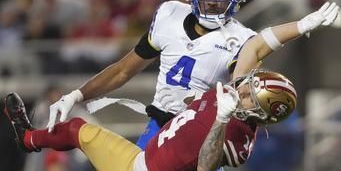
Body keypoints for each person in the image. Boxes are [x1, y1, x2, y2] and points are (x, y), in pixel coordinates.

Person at [45, 0, 339, 150]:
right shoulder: (169, 14)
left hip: (200, 136)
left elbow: (259, 45)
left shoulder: (239, 38)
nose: (212, 3)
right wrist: (77, 95)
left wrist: (301, 25)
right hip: (158, 127)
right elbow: (124, 69)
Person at [4, 69, 297, 171]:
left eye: (249, 96)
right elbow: (193, 113)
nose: (241, 89)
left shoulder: (239, 136)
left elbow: (206, 165)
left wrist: (221, 119)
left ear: (262, 114)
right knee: (78, 130)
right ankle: (28, 138)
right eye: (247, 84)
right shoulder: (225, 93)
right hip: (140, 159)